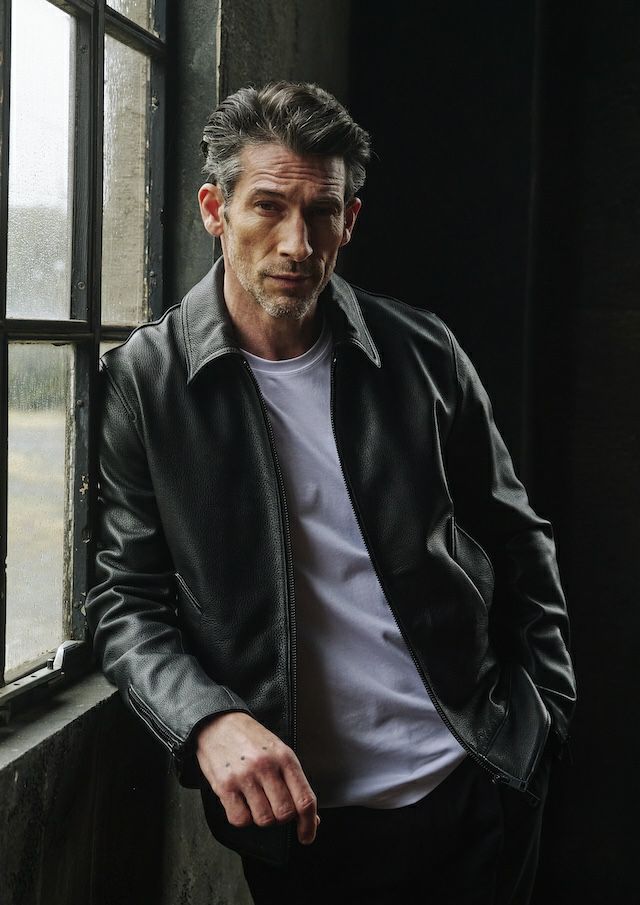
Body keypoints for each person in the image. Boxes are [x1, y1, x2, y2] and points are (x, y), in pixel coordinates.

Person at [85, 80, 577, 905]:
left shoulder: (423, 351)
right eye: (268, 207)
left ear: (349, 220)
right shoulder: (147, 381)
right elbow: (124, 600)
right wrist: (205, 718)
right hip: (300, 822)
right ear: (214, 209)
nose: (297, 243)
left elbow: (517, 535)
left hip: (474, 784)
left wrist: (544, 713)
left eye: (321, 212)